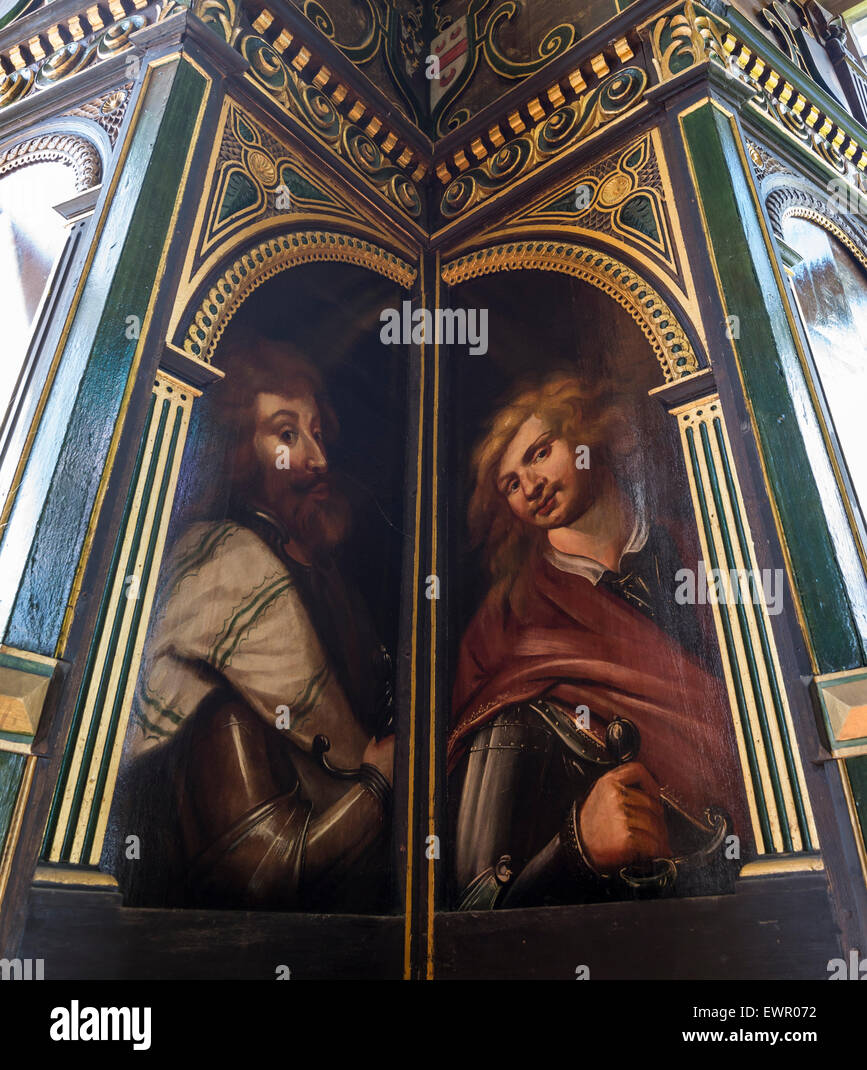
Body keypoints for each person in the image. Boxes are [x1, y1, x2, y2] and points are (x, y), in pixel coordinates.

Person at [448, 371, 747, 910]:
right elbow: (473, 897)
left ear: (583, 437)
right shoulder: (502, 627)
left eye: (539, 454)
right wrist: (577, 846)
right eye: (511, 484)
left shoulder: (702, 549)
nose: (531, 486)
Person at [121, 333, 394, 912]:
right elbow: (259, 867)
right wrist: (375, 785)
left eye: (317, 433)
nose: (318, 459)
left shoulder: (317, 573)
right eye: (287, 433)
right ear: (238, 449)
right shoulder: (223, 564)